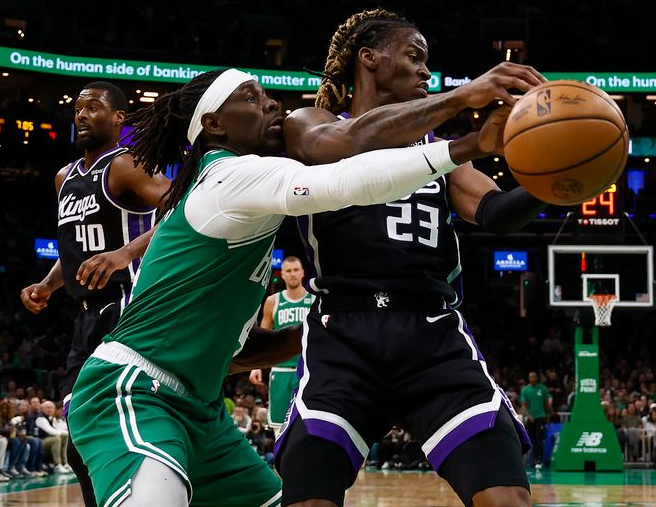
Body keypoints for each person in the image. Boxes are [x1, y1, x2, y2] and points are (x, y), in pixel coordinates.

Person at [67, 67, 504, 507]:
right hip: (134, 391)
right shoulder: (231, 176)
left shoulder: (231, 195)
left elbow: (241, 352)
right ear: (215, 124)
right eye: (252, 99)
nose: (272, 104)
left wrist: (312, 334)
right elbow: (345, 181)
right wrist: (467, 145)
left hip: (201, 411)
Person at [276, 8, 547, 507]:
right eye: (414, 57)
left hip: (432, 333)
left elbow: (495, 212)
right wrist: (462, 96)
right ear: (369, 58)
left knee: (507, 497)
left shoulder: (439, 149)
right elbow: (346, 143)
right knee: (308, 498)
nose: (426, 71)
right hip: (343, 333)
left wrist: (556, 177)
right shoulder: (308, 123)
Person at [19, 81, 170, 506]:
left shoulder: (125, 165)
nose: (82, 114)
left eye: (94, 107)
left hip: (128, 308)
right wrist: (48, 285)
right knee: (79, 438)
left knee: (110, 431)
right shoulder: (63, 177)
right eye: (78, 108)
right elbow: (76, 244)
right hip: (85, 315)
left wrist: (124, 254)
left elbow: (182, 208)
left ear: (119, 118)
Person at [250, 256, 314, 433]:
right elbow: (262, 338)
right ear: (282, 275)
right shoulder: (273, 301)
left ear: (302, 273)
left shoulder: (314, 299)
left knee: (309, 426)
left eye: (295, 270)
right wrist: (255, 367)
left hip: (308, 372)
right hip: (280, 373)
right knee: (279, 430)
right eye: (288, 270)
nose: (292, 274)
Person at [521, 372, 554, 467]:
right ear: (529, 378)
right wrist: (528, 415)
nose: (532, 378)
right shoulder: (526, 390)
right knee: (532, 439)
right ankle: (532, 460)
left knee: (539, 438)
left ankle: (539, 460)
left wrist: (551, 414)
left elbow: (546, 404)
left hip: (540, 416)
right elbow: (524, 405)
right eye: (530, 377)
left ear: (537, 378)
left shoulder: (542, 389)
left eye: (534, 377)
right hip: (531, 418)